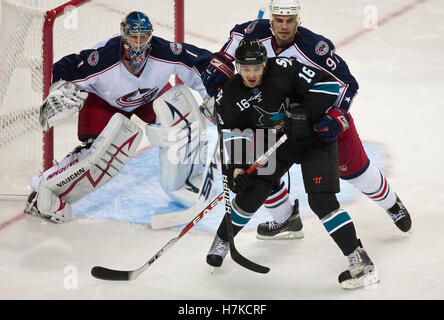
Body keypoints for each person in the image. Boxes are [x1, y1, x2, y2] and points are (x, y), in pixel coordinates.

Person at [201, 0, 411, 239]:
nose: (283, 26)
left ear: (297, 20)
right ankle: (286, 219)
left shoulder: (314, 48)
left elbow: (346, 84)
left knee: (354, 170)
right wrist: (220, 67)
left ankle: (392, 204)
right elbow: (231, 49)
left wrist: (335, 116)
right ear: (271, 20)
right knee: (256, 170)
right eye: (279, 20)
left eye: (289, 21)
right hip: (275, 121)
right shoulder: (251, 34)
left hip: (318, 120)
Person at [207, 38, 378, 289]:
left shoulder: (285, 68)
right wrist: (237, 169)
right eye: (245, 68)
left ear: (265, 64)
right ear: (237, 66)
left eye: (256, 68)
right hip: (275, 143)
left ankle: (359, 259)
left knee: (322, 200)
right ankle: (223, 240)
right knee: (250, 190)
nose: (251, 74)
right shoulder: (230, 96)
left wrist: (306, 112)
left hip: (313, 139)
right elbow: (234, 134)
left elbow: (330, 85)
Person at [24, 11, 212, 223]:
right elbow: (64, 67)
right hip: (105, 101)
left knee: (183, 123)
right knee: (100, 155)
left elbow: (200, 62)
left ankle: (185, 181)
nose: (139, 42)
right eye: (134, 37)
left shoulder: (163, 51)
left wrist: (215, 94)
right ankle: (45, 188)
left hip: (149, 96)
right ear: (124, 36)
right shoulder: (102, 59)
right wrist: (59, 88)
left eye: (144, 36)